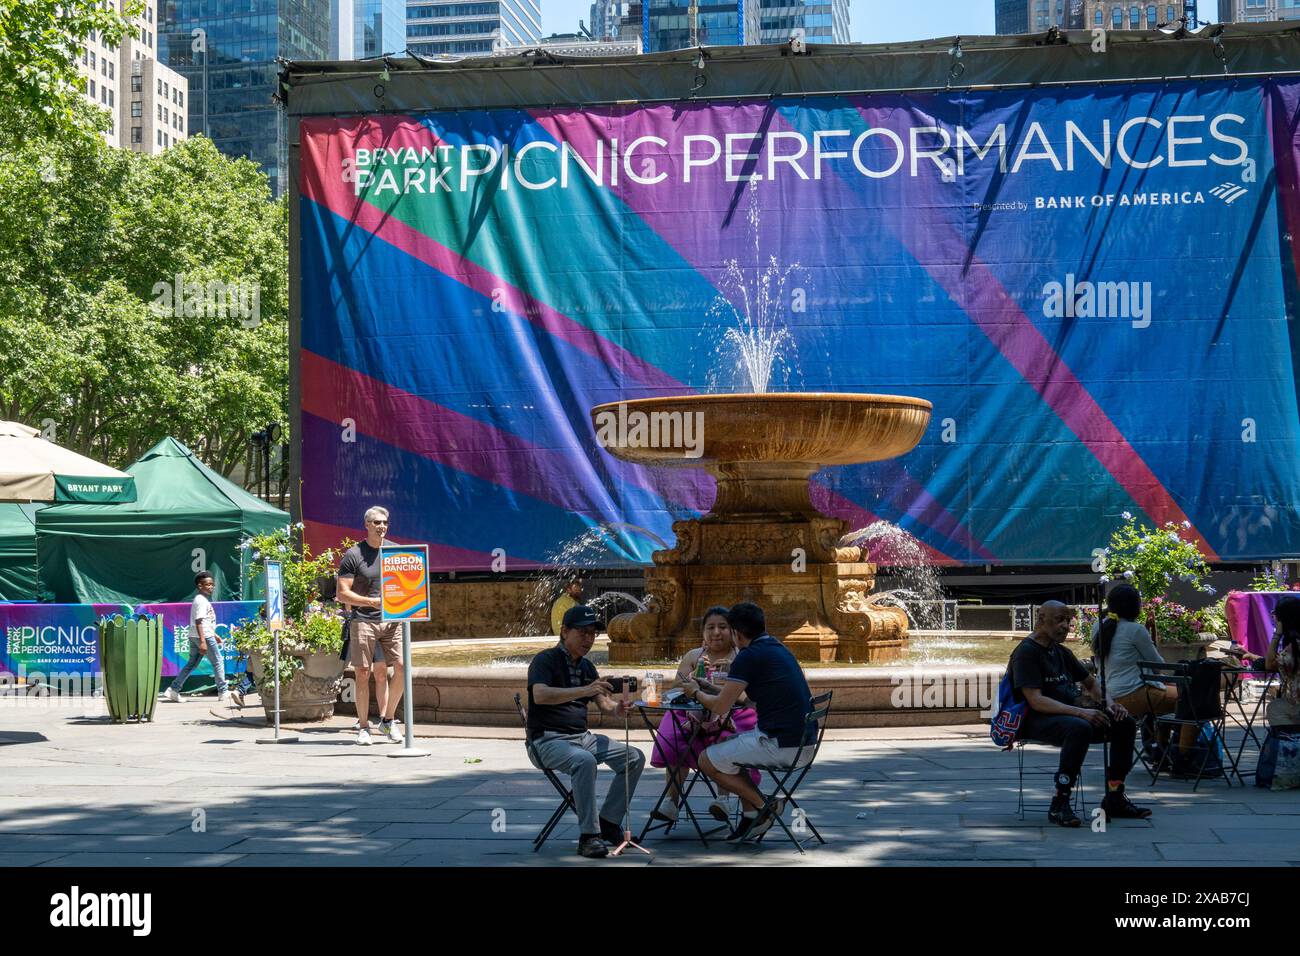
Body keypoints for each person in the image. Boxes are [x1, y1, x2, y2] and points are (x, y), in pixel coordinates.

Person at [682, 602, 815, 844]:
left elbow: (721, 707)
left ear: (736, 633)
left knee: (707, 760)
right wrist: (711, 687)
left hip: (781, 746)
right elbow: (751, 701)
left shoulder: (748, 656)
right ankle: (750, 815)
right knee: (733, 746)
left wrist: (694, 692)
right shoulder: (776, 647)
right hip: (803, 744)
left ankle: (765, 806)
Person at [1011, 600, 1150, 827]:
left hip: (1068, 714)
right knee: (1079, 728)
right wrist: (1081, 712)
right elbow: (1035, 700)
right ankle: (1060, 802)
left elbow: (1092, 684)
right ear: (1041, 619)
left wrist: (1111, 703)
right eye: (1060, 620)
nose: (1066, 626)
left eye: (1068, 620)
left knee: (1124, 723)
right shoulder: (1026, 653)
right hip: (1034, 719)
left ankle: (1115, 795)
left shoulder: (1061, 652)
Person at [526, 604, 646, 859]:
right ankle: (588, 837)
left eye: (592, 633)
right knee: (584, 760)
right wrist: (584, 691)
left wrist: (619, 709)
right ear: (564, 632)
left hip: (582, 738)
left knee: (634, 757)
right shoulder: (545, 660)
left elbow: (604, 704)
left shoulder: (588, 667)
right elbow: (540, 695)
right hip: (546, 740)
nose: (588, 639)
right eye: (582, 633)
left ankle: (609, 823)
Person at [649, 606, 759, 826]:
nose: (716, 632)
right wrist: (695, 676)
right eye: (710, 627)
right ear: (703, 632)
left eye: (722, 627)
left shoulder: (742, 658)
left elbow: (749, 697)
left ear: (733, 631)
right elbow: (677, 688)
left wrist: (727, 680)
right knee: (673, 728)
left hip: (731, 713)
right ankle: (671, 801)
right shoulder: (694, 656)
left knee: (727, 735)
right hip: (694, 715)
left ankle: (724, 799)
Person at [1094, 583, 1196, 768]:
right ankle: (1183, 756)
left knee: (1172, 698)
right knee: (1192, 699)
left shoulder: (1098, 626)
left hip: (1108, 696)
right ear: (1135, 606)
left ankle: (1160, 752)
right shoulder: (1135, 630)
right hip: (1134, 694)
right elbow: (1158, 666)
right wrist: (1150, 638)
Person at [336, 506, 404, 745]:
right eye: (376, 522)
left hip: (393, 621)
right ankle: (364, 727)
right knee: (363, 673)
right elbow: (342, 594)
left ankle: (388, 720)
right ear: (366, 525)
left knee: (402, 667)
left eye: (384, 522)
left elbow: (408, 584)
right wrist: (371, 601)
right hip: (364, 620)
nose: (381, 526)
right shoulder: (354, 554)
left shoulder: (396, 552)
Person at [160, 571, 230, 704]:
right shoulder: (201, 600)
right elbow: (198, 621)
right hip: (202, 636)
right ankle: (223, 691)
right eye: (207, 584)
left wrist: (215, 635)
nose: (211, 587)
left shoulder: (201, 600)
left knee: (192, 663)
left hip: (198, 635)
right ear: (199, 586)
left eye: (212, 584)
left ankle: (173, 690)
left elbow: (204, 621)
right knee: (218, 661)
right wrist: (203, 641)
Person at [1265, 596, 1300, 731]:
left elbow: (1269, 665)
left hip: (1296, 707)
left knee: (1273, 707)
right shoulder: (1293, 649)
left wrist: (1277, 635)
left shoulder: (1294, 647)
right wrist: (1253, 656)